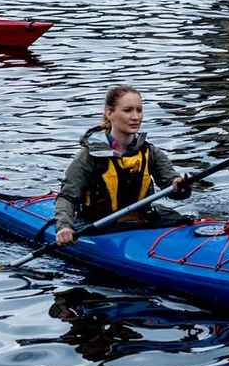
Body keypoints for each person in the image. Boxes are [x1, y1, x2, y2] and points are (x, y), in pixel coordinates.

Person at [53, 85, 192, 246]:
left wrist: (181, 186)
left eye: (139, 110)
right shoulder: (89, 156)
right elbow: (67, 196)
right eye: (128, 110)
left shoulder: (150, 152)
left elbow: (173, 187)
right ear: (109, 113)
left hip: (143, 220)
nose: (135, 117)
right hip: (102, 225)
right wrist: (64, 227)